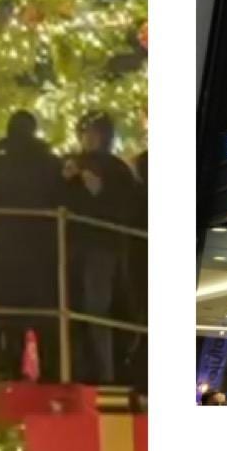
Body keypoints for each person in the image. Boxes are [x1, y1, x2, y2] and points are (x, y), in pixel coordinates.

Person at [62, 113, 143, 385]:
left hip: (100, 247)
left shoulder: (116, 170)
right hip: (77, 246)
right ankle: (81, 368)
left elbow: (123, 207)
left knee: (96, 309)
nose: (87, 138)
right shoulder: (75, 165)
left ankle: (103, 371)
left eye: (91, 133)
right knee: (77, 308)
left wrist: (96, 189)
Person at [0, 111, 63, 376]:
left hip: (9, 242)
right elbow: (57, 196)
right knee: (45, 314)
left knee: (11, 314)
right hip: (42, 244)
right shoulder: (49, 162)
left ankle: (11, 368)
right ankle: (50, 371)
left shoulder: (0, 162)